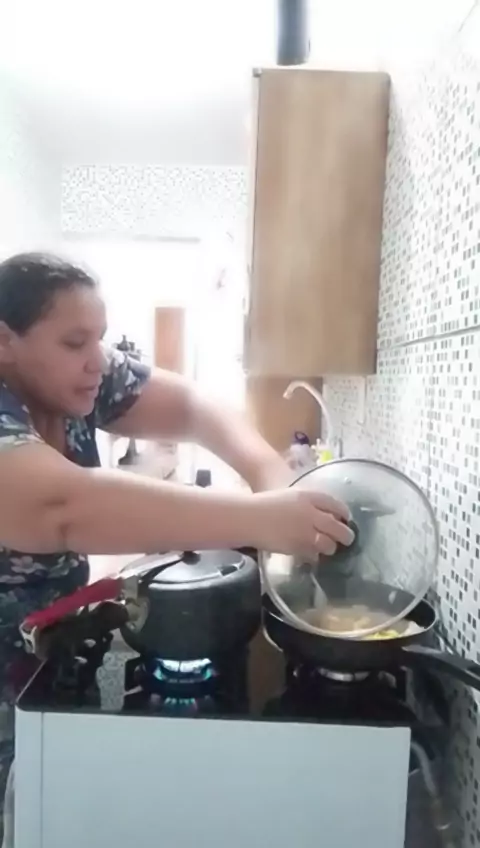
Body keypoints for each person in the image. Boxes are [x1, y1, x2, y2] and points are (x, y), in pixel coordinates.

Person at [0, 252, 354, 841]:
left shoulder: (77, 377)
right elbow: (62, 507)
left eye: (100, 338)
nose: (97, 360)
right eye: (74, 343)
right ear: (4, 341)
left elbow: (193, 407)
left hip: (38, 658)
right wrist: (259, 520)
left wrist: (275, 482)